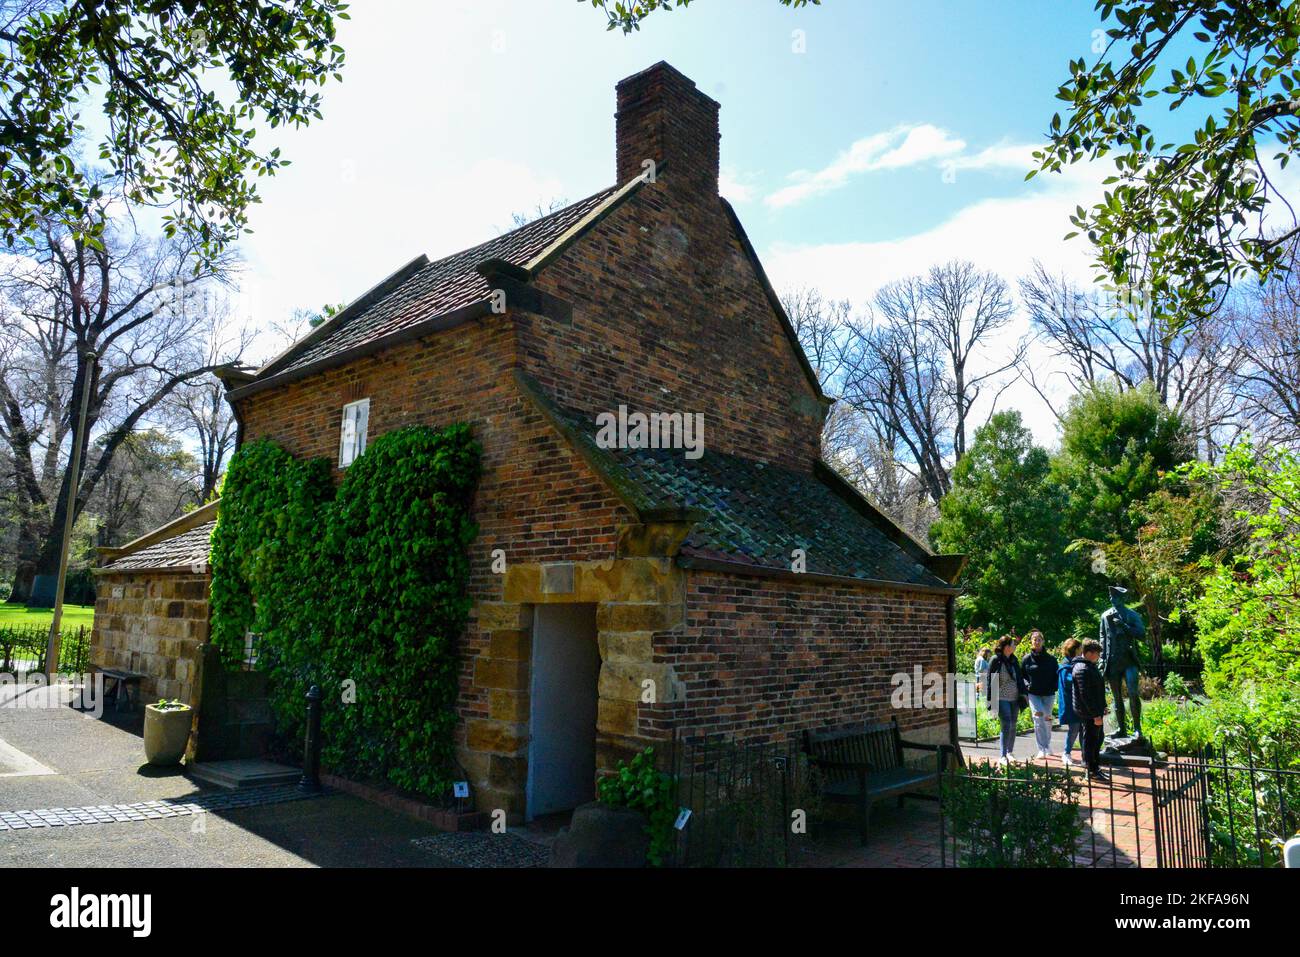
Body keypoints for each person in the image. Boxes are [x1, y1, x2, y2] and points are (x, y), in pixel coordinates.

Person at [1071, 640, 1110, 782]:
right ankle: (1091, 769)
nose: (1098, 656)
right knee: (1090, 741)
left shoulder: (1089, 666)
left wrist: (1103, 705)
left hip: (1094, 711)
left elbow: (1098, 689)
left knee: (1098, 738)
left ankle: (1095, 767)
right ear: (1088, 653)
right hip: (1088, 712)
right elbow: (1085, 695)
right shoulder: (1082, 668)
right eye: (1096, 653)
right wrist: (1095, 715)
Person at [985, 635, 1023, 764]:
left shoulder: (1014, 660)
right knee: (1006, 723)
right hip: (1001, 697)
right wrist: (991, 703)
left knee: (1013, 725)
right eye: (1013, 644)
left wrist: (1024, 693)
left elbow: (1019, 678)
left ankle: (1009, 752)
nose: (1015, 646)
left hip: (1014, 697)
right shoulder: (996, 660)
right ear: (1006, 647)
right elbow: (991, 681)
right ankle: (1002, 755)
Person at [1021, 630, 1058, 759]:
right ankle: (1041, 748)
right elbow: (1022, 676)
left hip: (1048, 694)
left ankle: (1048, 745)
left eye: (1039, 639)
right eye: (1034, 639)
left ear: (1043, 641)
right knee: (1038, 718)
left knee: (1047, 718)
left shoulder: (1051, 659)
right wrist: (1027, 686)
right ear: (1031, 642)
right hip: (1034, 694)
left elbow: (1056, 675)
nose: (1036, 642)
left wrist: (1054, 686)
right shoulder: (1026, 659)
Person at [1057, 638, 1084, 768]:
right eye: (1080, 649)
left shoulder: (1076, 663)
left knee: (1082, 729)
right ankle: (1066, 753)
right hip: (1071, 703)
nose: (1082, 651)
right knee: (1074, 728)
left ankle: (1086, 755)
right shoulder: (1065, 665)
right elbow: (1069, 681)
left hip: (1080, 703)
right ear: (1074, 650)